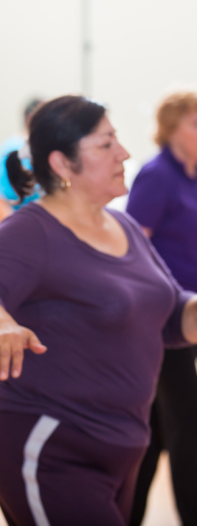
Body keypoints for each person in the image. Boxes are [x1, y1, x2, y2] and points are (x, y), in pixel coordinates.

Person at [0, 95, 197, 525]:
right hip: (51, 443)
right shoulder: (32, 230)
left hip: (120, 448)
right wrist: (0, 324)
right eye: (105, 145)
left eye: (117, 140)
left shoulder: (122, 227)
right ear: (63, 164)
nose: (124, 153)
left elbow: (172, 314)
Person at [127, 91, 197, 526]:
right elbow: (134, 248)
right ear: (171, 129)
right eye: (193, 124)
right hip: (164, 319)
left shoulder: (193, 177)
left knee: (153, 430)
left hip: (191, 316)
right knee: (188, 424)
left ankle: (127, 514)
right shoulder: (156, 176)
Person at [0, 98, 43, 242]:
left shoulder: (40, 151)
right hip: (2, 227)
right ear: (31, 119)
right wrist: (20, 236)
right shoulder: (14, 150)